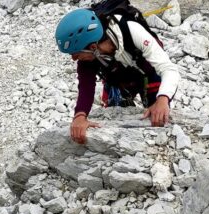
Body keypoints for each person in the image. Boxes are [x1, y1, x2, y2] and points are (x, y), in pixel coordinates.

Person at [55, 8, 180, 144]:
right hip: (118, 80)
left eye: (75, 53)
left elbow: (169, 69)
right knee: (115, 117)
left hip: (150, 74)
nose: (74, 58)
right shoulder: (87, 59)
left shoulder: (132, 31)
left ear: (92, 47)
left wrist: (162, 99)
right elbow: (86, 87)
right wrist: (80, 115)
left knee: (157, 119)